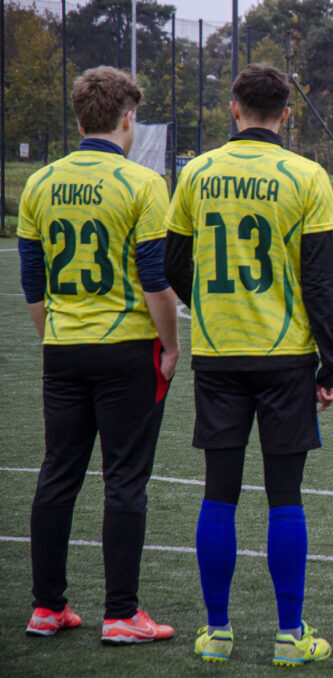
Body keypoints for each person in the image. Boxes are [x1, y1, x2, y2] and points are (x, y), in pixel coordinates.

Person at [163, 63, 333, 666]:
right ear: (286, 114)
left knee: (219, 493)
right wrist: (331, 363)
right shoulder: (307, 175)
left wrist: (207, 307)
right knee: (285, 495)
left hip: (218, 355)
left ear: (233, 108)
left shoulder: (197, 172)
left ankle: (217, 632)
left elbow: (171, 262)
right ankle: (290, 637)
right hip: (285, 357)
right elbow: (319, 281)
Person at [18, 66, 178, 644]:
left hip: (63, 348)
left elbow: (32, 282)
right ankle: (120, 614)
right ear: (127, 118)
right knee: (125, 480)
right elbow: (155, 279)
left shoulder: (40, 183)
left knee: (57, 474)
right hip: (127, 350)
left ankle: (46, 607)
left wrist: (57, 335)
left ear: (80, 116)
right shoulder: (143, 183)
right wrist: (171, 345)